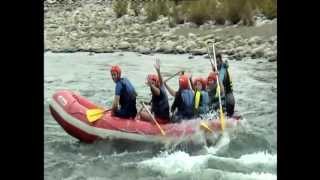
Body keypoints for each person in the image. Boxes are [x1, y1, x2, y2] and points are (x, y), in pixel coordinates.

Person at [139, 59, 170, 123]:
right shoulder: (162, 87)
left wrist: (151, 85)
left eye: (151, 82)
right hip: (166, 116)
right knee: (147, 108)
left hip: (160, 119)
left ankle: (143, 124)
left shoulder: (156, 91)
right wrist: (158, 70)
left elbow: (157, 92)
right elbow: (161, 81)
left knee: (141, 113)